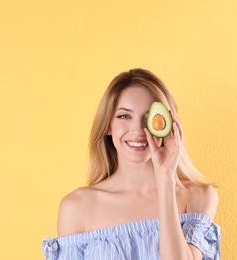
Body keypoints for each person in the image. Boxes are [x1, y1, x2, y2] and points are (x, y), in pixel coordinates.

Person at [43, 68, 221, 260]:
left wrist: (165, 177)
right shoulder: (76, 207)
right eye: (124, 116)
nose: (138, 130)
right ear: (108, 125)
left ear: (168, 124)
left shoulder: (198, 198)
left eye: (149, 117)